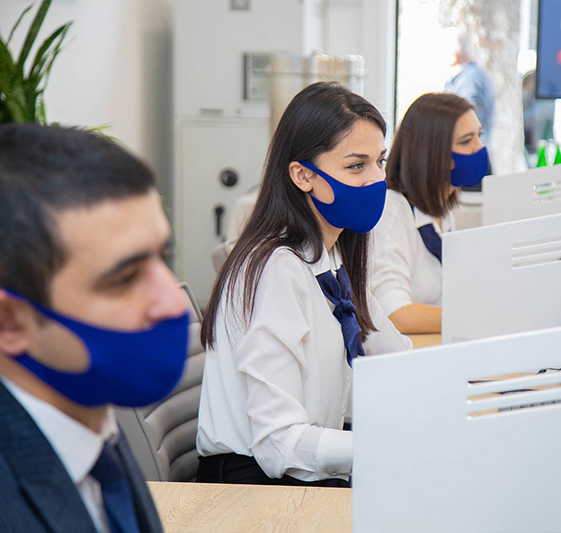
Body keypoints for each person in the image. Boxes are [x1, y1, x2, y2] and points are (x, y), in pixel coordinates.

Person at [195, 82, 411, 487]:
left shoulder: (333, 256)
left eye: (380, 161)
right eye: (356, 166)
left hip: (305, 470)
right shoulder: (276, 268)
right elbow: (278, 443)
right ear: (302, 175)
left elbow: (395, 357)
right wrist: (388, 445)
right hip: (253, 488)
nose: (377, 179)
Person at [0, 123, 190, 532]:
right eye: (124, 278)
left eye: (163, 258)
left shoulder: (83, 412)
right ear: (8, 322)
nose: (172, 301)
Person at [370, 92, 488, 334]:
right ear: (432, 152)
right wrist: (476, 318)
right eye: (466, 141)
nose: (479, 148)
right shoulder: (391, 212)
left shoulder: (441, 212)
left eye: (479, 135)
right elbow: (395, 315)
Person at [445, 31, 495, 146]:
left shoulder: (470, 80)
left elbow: (467, 122)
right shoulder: (471, 76)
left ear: (453, 55)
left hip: (470, 150)